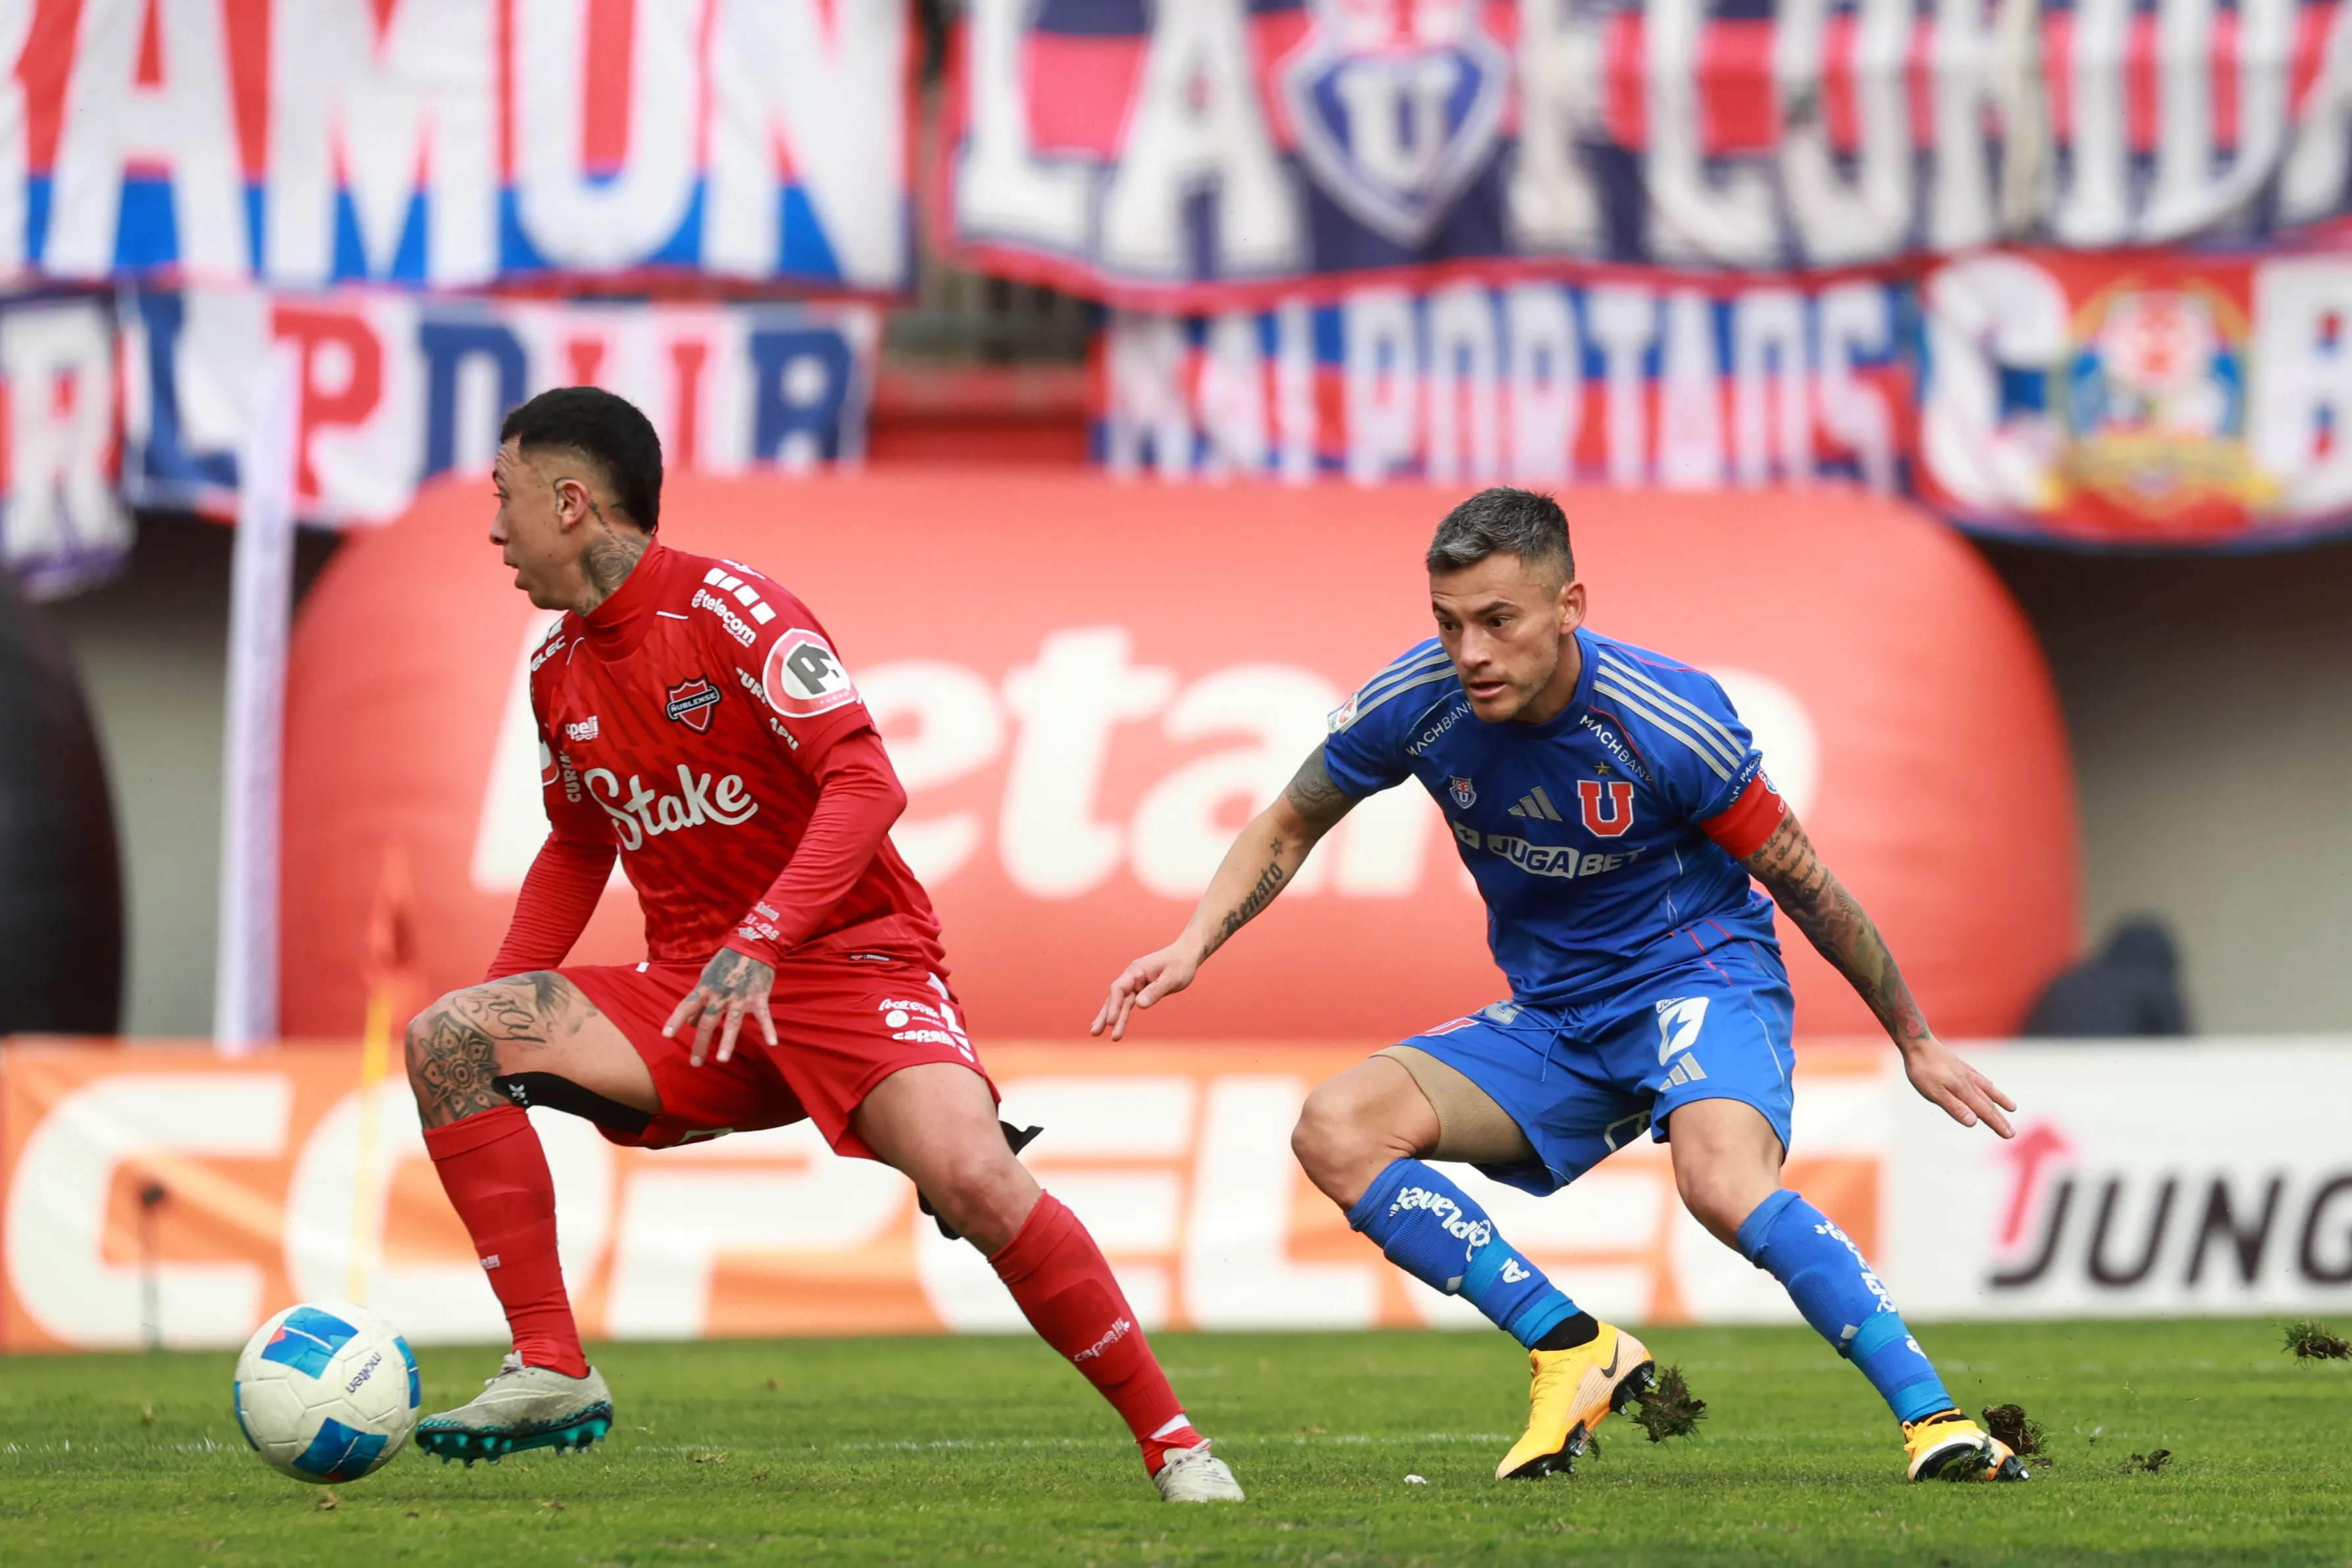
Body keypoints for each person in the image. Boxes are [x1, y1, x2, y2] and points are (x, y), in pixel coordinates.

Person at [404, 386, 1242, 1503]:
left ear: (570, 502)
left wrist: (763, 936)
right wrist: (506, 1000)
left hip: (852, 962)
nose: (494, 530)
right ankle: (551, 1364)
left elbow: (866, 782)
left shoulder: (736, 610)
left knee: (977, 1179)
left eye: (503, 498)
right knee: (451, 1039)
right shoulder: (555, 668)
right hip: (696, 993)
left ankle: (1176, 1445)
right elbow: (576, 845)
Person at [1094, 487, 2028, 1485]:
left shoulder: (1668, 720)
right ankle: (1572, 1345)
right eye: (1450, 623)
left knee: (1721, 1183)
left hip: (1696, 978)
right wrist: (1195, 942)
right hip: (1555, 1015)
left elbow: (1804, 882)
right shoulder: (1418, 702)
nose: (1471, 652)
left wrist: (1913, 1038)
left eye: (1499, 621)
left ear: (1569, 607)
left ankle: (1936, 1421)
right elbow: (1288, 821)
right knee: (1337, 1128)